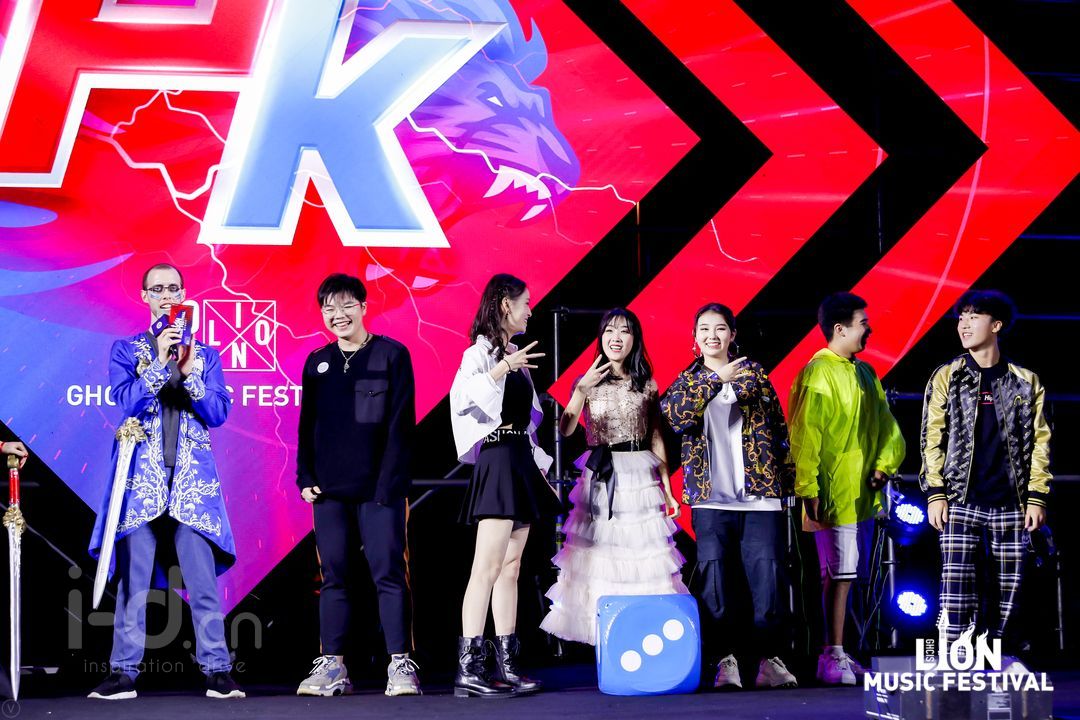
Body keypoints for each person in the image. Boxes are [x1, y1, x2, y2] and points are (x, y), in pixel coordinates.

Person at [87, 263, 244, 700]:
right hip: (141, 480)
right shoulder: (127, 349)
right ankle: (123, 673)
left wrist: (190, 373)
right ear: (145, 297)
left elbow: (218, 413)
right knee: (133, 582)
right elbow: (127, 403)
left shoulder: (206, 354)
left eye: (173, 288)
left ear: (184, 294)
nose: (166, 296)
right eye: (157, 289)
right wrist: (158, 361)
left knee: (203, 582)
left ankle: (217, 670)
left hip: (191, 482)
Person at [295, 273, 420, 697]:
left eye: (347, 305)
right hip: (328, 492)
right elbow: (307, 425)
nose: (338, 314)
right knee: (333, 576)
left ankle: (400, 664)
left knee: (389, 574)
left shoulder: (391, 355)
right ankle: (332, 665)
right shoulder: (317, 362)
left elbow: (401, 426)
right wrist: (305, 476)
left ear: (364, 307)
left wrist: (388, 485)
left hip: (380, 491)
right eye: (329, 308)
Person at [662, 303, 798, 690]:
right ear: (694, 337)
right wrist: (712, 379)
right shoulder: (687, 381)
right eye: (704, 329)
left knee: (768, 578)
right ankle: (726, 661)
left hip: (760, 497)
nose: (712, 335)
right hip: (710, 498)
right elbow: (675, 417)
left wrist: (787, 484)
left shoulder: (752, 372)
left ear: (732, 335)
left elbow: (779, 429)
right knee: (716, 581)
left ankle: (769, 659)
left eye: (720, 328)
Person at [541, 308, 685, 645]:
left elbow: (656, 437)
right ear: (601, 337)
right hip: (602, 473)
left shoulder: (647, 383)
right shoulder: (587, 380)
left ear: (635, 339)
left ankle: (643, 633)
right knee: (601, 554)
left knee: (642, 554)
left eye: (624, 331)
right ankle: (606, 636)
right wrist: (581, 390)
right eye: (609, 331)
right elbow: (565, 429)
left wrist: (667, 489)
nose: (616, 338)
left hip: (640, 475)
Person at [920, 290, 1050, 654]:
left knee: (1012, 590)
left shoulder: (1026, 381)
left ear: (996, 325)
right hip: (960, 500)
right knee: (955, 589)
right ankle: (956, 660)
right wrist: (935, 493)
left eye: (974, 317)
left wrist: (1037, 497)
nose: (964, 324)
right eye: (961, 317)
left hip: (1012, 502)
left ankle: (1002, 657)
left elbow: (1041, 442)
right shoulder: (947, 376)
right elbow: (931, 437)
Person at [449, 273, 560, 697]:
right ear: (504, 304)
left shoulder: (515, 354)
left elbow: (526, 420)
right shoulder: (477, 354)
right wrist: (501, 368)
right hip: (496, 460)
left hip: (518, 458)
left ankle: (507, 664)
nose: (530, 310)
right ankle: (469, 668)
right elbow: (463, 399)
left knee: (511, 568)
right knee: (487, 566)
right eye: (526, 302)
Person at [788, 292, 905, 686]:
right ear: (840, 329)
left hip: (861, 494)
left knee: (850, 573)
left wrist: (884, 465)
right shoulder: (818, 372)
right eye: (862, 323)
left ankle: (840, 651)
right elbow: (806, 434)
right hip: (832, 490)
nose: (868, 329)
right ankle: (830, 654)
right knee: (837, 573)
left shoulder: (865, 373)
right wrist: (809, 488)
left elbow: (887, 426)